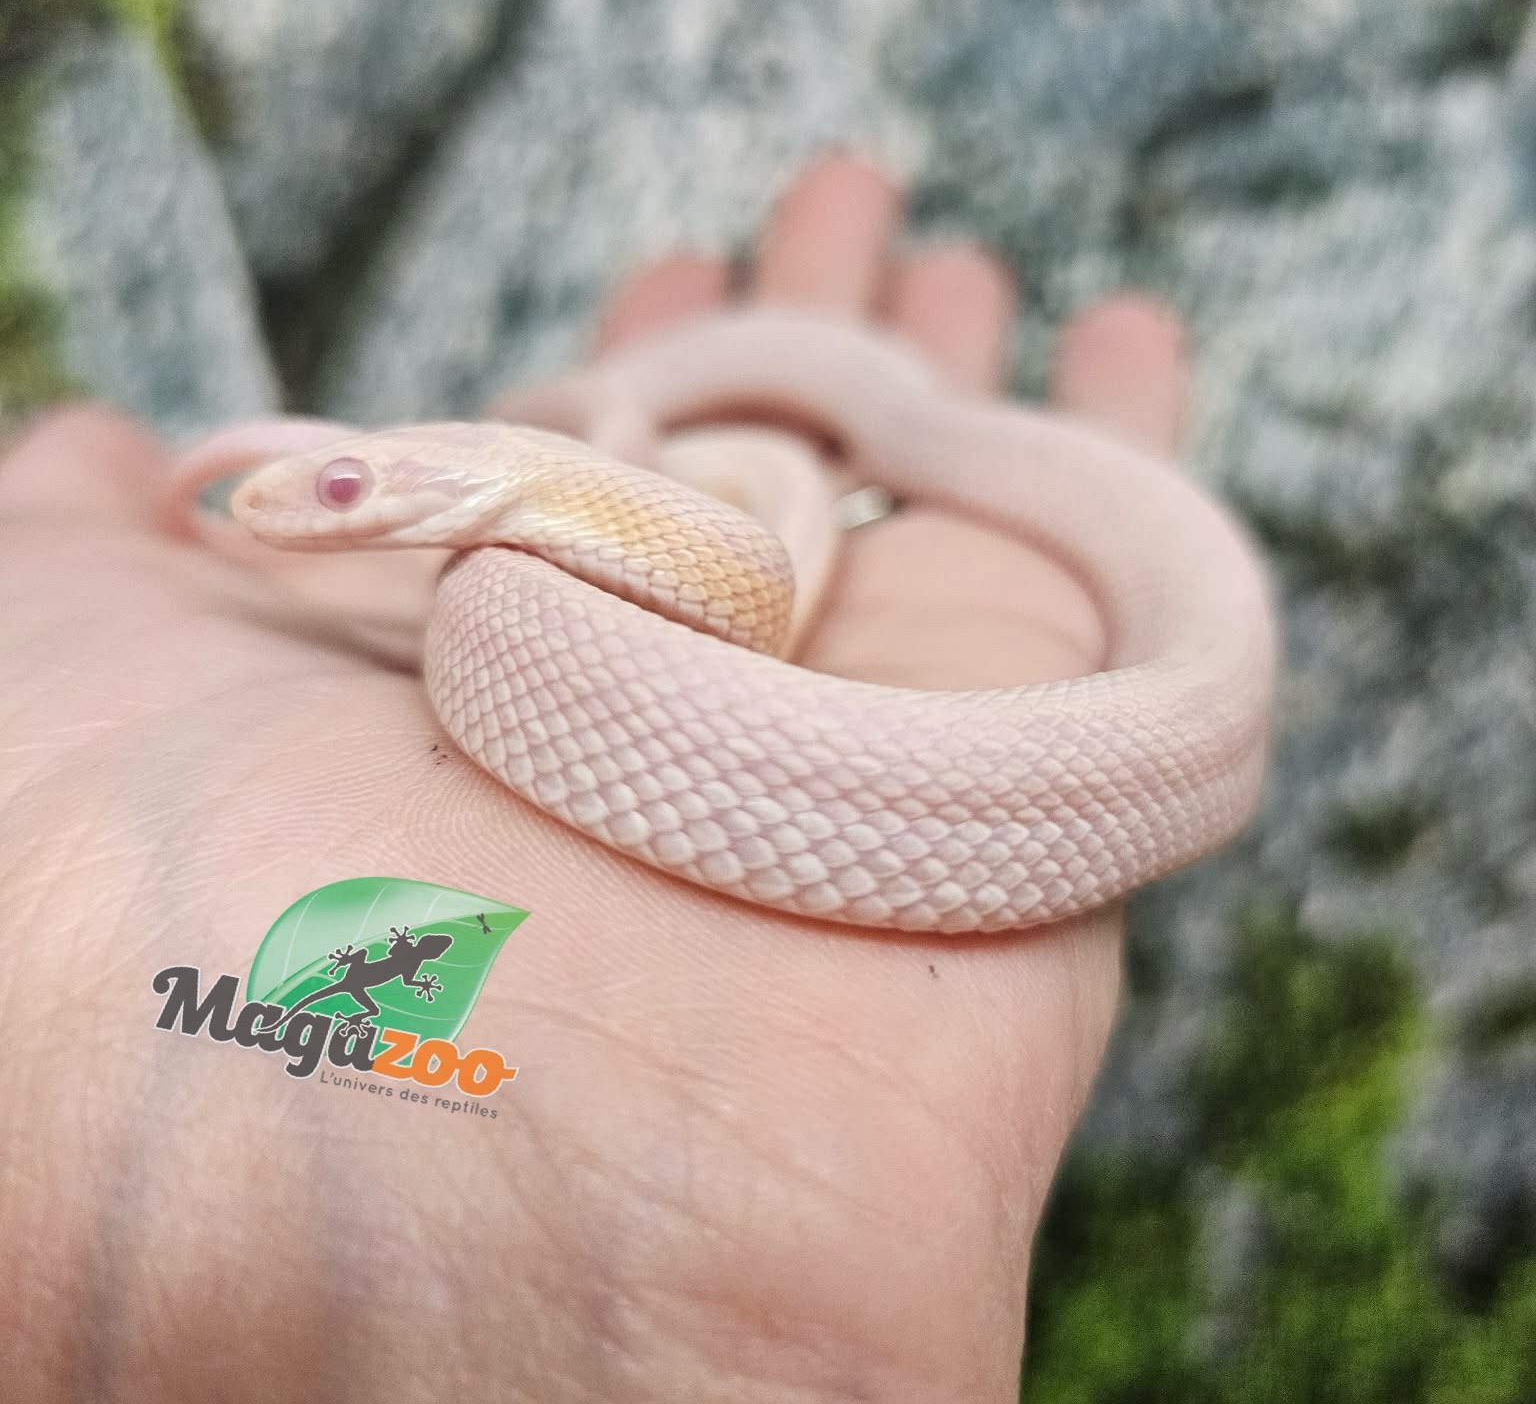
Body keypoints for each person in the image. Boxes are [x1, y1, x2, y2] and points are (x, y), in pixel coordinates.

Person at [0, 153, 1195, 1401]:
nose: (304, 503)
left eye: (343, 484)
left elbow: (744, 582)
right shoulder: (533, 541)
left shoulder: (657, 522)